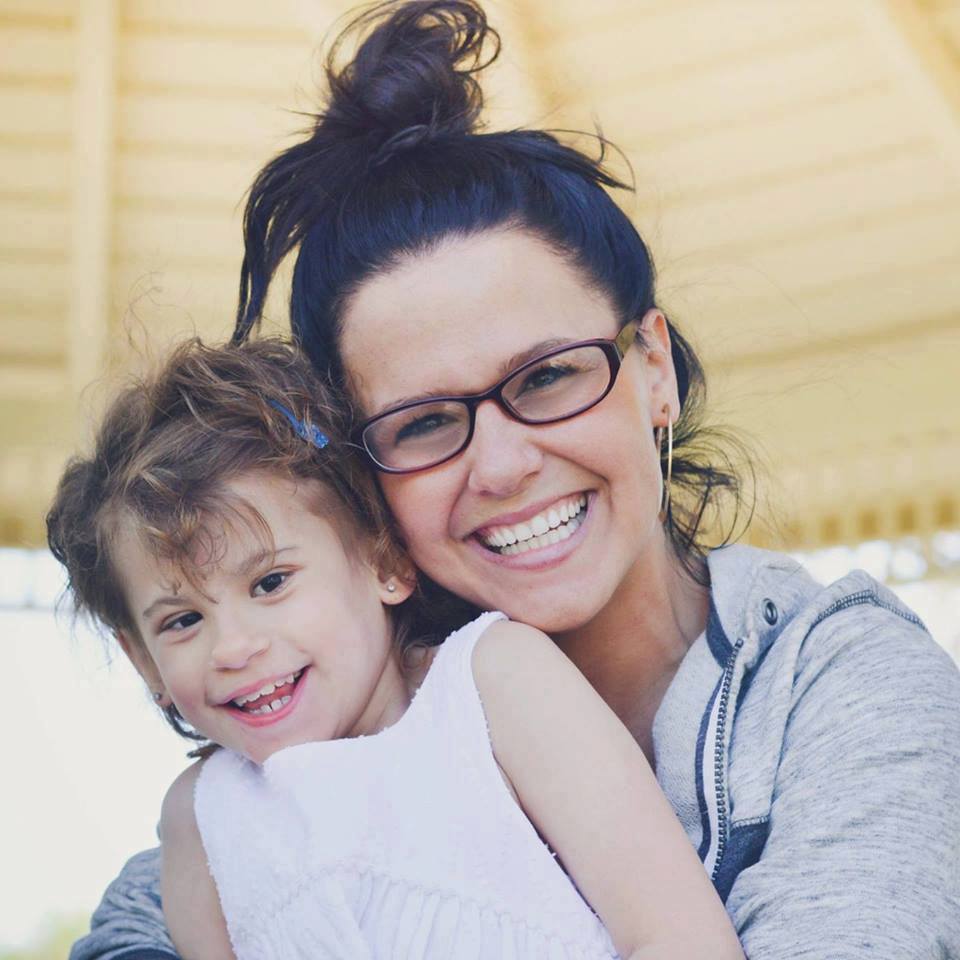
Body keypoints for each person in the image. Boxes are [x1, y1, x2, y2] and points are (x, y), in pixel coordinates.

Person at [69, 2, 960, 958]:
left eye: (548, 376)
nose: (501, 463)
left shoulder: (833, 687)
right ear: (360, 490)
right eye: (423, 422)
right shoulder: (306, 751)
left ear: (651, 368)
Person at [48, 338, 742, 960]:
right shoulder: (200, 818)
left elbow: (679, 935)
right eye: (181, 622)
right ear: (144, 664)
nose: (233, 647)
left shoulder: (494, 683)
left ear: (383, 562)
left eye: (271, 581)